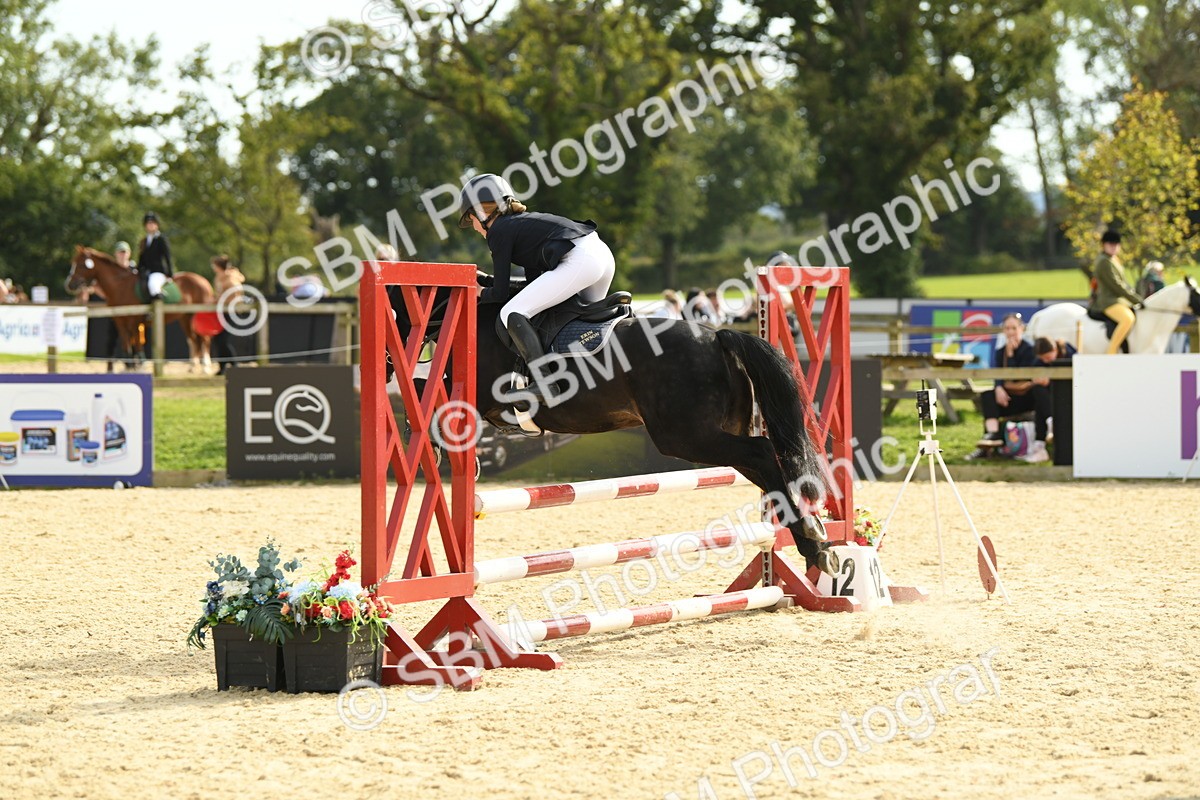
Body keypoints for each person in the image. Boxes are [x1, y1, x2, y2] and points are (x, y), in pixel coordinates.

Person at [458, 173, 615, 368]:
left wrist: (479, 291)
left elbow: (500, 294)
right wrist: (488, 280)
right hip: (601, 254)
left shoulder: (498, 231)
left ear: (481, 213)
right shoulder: (519, 225)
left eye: (471, 219)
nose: (473, 227)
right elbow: (531, 286)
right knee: (575, 318)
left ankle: (542, 381)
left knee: (510, 313)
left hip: (582, 260)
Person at [966, 314, 1051, 462]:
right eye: (1007, 328)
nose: (1011, 332)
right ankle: (990, 439)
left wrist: (1011, 355)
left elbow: (1017, 377)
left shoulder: (1030, 350)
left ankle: (1041, 442)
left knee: (1038, 392)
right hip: (1010, 398)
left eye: (1014, 328)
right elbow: (999, 374)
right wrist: (998, 387)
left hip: (1028, 397)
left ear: (1022, 329)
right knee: (988, 396)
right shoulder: (1000, 352)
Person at [1087, 230, 1143, 355]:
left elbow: (1124, 283)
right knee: (1128, 319)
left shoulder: (1114, 259)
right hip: (1109, 301)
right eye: (1110, 244)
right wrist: (1137, 300)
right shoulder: (1104, 262)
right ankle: (1111, 351)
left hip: (1119, 300)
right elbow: (1117, 286)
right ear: (1104, 245)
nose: (1113, 247)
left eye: (1116, 244)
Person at [210, 255, 246, 374]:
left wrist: (220, 300)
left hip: (230, 312)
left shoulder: (231, 279)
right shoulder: (219, 278)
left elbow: (234, 295)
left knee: (222, 339)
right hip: (222, 312)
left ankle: (233, 364)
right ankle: (223, 366)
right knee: (218, 339)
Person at [136, 212, 174, 300]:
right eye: (148, 223)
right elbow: (142, 258)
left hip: (158, 272)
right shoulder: (144, 241)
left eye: (153, 223)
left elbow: (167, 256)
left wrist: (170, 273)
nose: (150, 225)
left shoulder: (161, 239)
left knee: (153, 286)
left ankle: (158, 311)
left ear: (157, 225)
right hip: (145, 272)